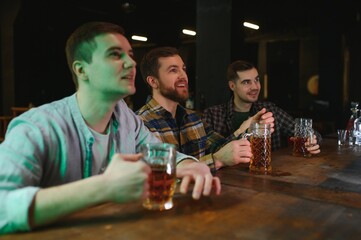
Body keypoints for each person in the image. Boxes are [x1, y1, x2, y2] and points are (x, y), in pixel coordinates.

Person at [0, 22, 221, 234]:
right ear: (81, 70)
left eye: (130, 55)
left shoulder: (125, 117)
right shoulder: (37, 126)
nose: (131, 63)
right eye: (115, 54)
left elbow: (157, 151)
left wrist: (190, 164)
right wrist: (104, 187)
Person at [135, 47, 274, 170]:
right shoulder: (139, 123)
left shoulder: (193, 118)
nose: (183, 76)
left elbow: (224, 150)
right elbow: (160, 175)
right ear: (153, 81)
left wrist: (246, 129)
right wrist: (216, 160)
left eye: (183, 69)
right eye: (173, 70)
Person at [203, 59, 322, 153]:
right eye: (246, 82)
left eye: (256, 80)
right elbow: (208, 155)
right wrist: (242, 131)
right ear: (232, 86)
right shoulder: (213, 115)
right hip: (227, 181)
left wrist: (312, 141)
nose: (255, 87)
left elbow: (312, 134)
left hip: (267, 178)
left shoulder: (270, 111)